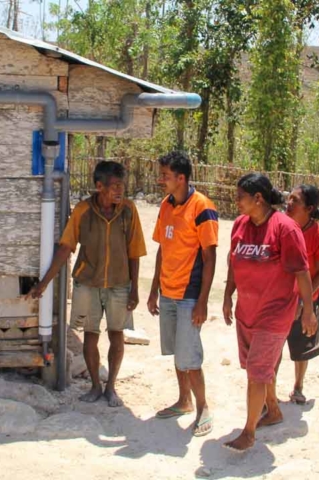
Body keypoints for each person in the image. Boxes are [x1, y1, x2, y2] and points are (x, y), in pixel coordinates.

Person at [27, 161, 146, 407]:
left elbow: (134, 252)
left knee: (117, 335)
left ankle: (111, 386)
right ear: (99, 186)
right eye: (114, 186)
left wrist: (134, 288)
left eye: (121, 185)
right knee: (90, 336)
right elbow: (66, 247)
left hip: (119, 284)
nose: (119, 190)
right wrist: (45, 282)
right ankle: (95, 385)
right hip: (87, 284)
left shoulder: (128, 210)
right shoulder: (83, 210)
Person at [222, 173, 317, 452]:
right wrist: (228, 295)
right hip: (247, 310)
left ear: (258, 198)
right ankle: (273, 410)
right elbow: (233, 262)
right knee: (257, 370)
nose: (236, 200)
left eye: (240, 195)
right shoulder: (240, 225)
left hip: (275, 313)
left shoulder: (285, 229)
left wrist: (308, 312)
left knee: (256, 373)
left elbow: (302, 272)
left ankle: (248, 433)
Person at [147, 151, 217, 437]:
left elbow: (210, 257)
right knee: (177, 352)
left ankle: (203, 408)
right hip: (168, 292)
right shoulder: (165, 205)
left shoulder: (202, 207)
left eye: (165, 175)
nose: (160, 179)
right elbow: (163, 248)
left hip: (189, 295)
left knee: (190, 357)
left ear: (181, 178)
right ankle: (184, 401)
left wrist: (202, 302)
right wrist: (154, 290)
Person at [282, 185, 319, 404]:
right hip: (282, 298)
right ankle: (268, 392)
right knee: (273, 346)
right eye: (288, 198)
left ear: (309, 208)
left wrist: (305, 300)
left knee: (301, 349)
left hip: (308, 299)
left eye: (295, 200)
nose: (288, 203)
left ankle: (298, 387)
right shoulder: (281, 227)